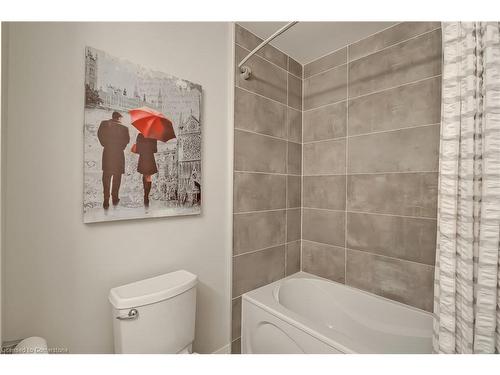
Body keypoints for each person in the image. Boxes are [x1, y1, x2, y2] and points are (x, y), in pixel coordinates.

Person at [97, 111, 130, 209]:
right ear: (119, 118)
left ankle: (106, 199)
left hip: (107, 153)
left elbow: (99, 135)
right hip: (119, 155)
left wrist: (105, 144)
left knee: (106, 177)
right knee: (117, 177)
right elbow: (127, 141)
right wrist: (120, 147)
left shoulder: (104, 124)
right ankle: (115, 198)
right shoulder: (124, 128)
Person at [135, 133, 158, 206]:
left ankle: (145, 193)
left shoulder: (140, 135)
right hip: (150, 158)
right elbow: (155, 150)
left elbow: (137, 150)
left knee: (145, 175)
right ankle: (146, 195)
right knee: (148, 177)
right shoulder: (153, 136)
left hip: (143, 158)